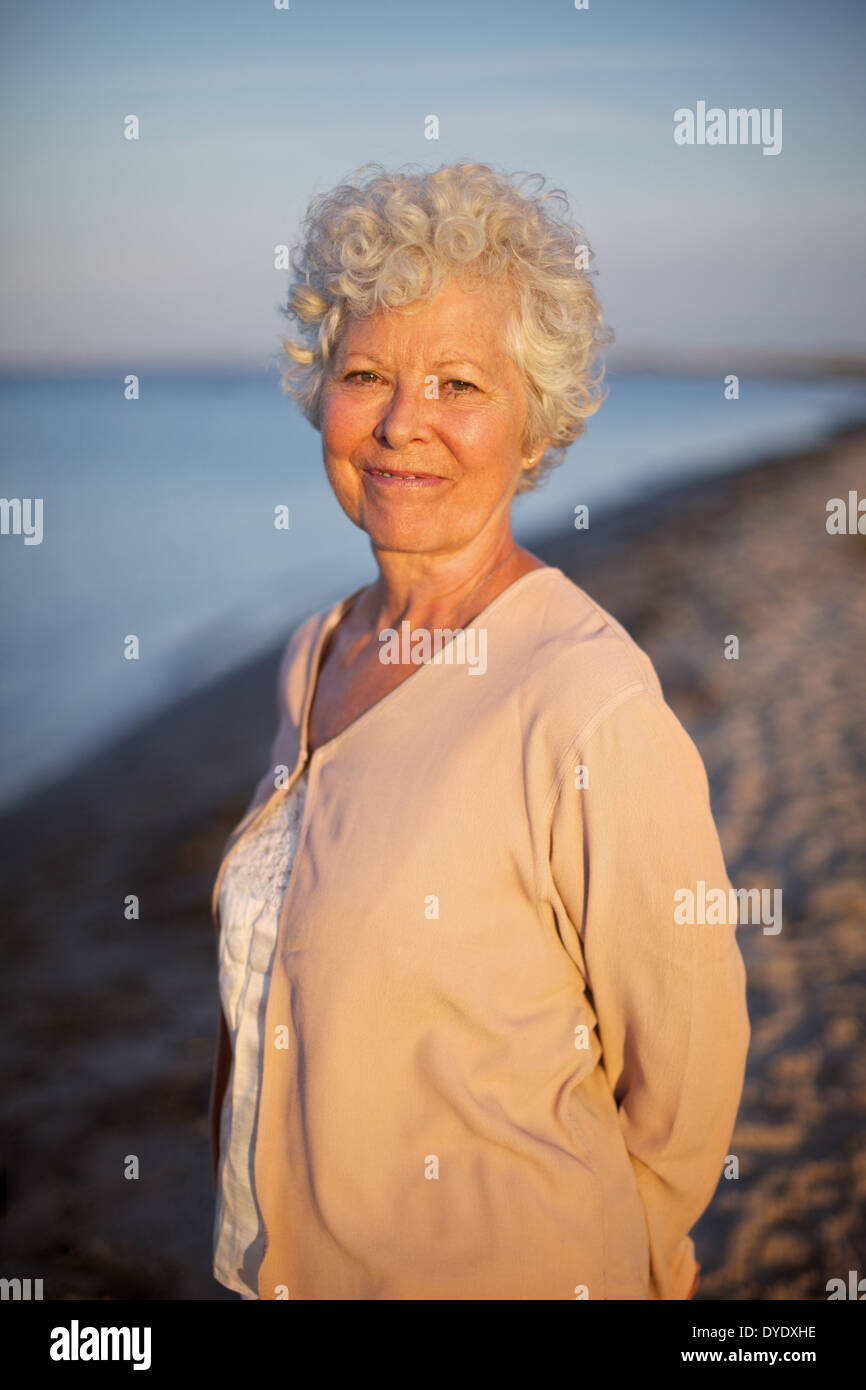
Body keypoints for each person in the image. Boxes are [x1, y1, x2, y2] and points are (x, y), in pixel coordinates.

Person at [208, 160, 749, 1301]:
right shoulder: (314, 654)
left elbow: (685, 1081)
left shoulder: (586, 699)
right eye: (366, 374)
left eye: (459, 383)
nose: (404, 423)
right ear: (321, 393)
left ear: (532, 419)